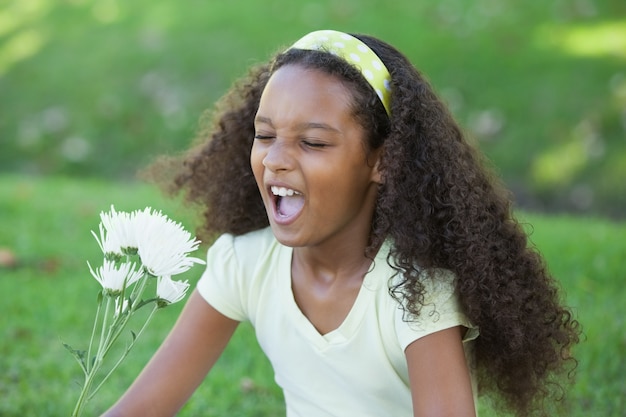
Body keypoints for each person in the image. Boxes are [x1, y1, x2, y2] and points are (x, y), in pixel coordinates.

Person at [102, 30, 580, 417]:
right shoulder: (243, 264)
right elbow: (144, 407)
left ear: (383, 162)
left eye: (313, 143)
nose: (276, 161)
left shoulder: (416, 295)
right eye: (264, 135)